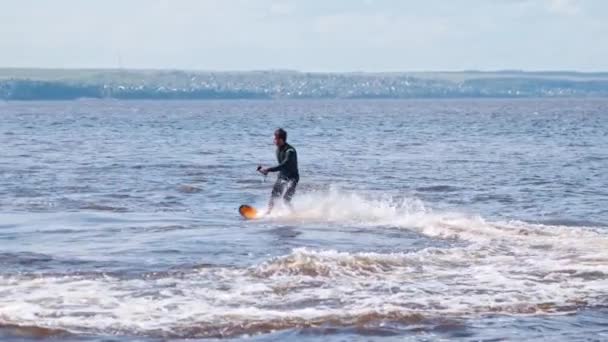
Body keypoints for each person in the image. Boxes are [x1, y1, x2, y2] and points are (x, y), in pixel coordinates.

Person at [258, 128, 299, 214]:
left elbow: (284, 164)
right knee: (274, 195)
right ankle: (268, 212)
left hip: (293, 177)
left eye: (275, 138)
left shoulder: (290, 151)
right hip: (282, 176)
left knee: (286, 200)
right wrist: (266, 170)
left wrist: (268, 170)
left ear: (280, 139)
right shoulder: (278, 149)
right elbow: (282, 167)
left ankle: (294, 214)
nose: (274, 140)